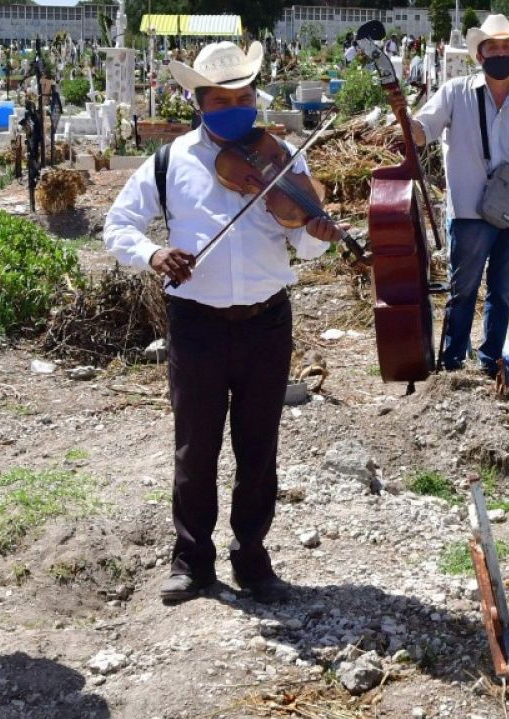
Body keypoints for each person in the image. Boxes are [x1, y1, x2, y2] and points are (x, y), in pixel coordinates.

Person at [103, 41, 342, 602]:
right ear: (200, 101)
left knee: (259, 446)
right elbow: (119, 227)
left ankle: (253, 560)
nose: (237, 106)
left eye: (245, 96)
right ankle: (192, 560)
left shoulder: (282, 155)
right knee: (196, 445)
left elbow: (305, 252)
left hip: (266, 321)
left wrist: (316, 231)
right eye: (222, 98)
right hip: (196, 323)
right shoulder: (168, 161)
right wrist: (154, 256)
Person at [405, 14, 509, 376]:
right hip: (470, 212)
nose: (501, 52)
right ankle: (453, 363)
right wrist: (405, 123)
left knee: (502, 291)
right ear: (479, 55)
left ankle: (489, 362)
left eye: (507, 46)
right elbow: (424, 130)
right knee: (464, 290)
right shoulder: (456, 93)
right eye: (493, 47)